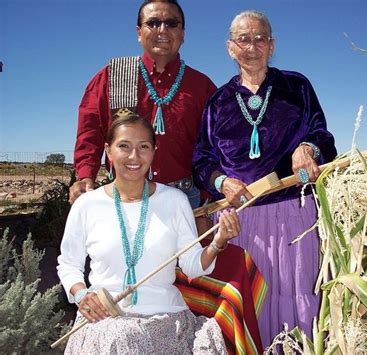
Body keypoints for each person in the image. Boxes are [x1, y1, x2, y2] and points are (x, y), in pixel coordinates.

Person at [192, 10, 337, 348]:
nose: (252, 46)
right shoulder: (218, 102)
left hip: (294, 214)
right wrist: (221, 182)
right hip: (238, 221)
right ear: (230, 47)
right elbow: (202, 159)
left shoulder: (296, 86)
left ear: (272, 45)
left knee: (298, 296)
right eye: (243, 39)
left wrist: (307, 148)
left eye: (260, 38)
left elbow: (322, 134)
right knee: (247, 301)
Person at [57, 114, 240, 353]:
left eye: (143, 147)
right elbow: (68, 263)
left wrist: (218, 241)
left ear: (154, 151)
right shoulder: (87, 205)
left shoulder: (175, 201)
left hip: (166, 322)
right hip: (104, 323)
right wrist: (81, 294)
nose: (134, 156)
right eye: (124, 146)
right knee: (119, 337)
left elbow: (192, 266)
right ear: (108, 151)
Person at [69, 0, 216, 213]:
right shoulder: (113, 76)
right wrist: (85, 176)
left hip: (186, 203)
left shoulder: (202, 86)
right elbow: (89, 133)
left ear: (182, 33)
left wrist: (206, 201)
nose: (162, 30)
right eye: (153, 23)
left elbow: (215, 146)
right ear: (139, 32)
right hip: (124, 199)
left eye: (172, 23)